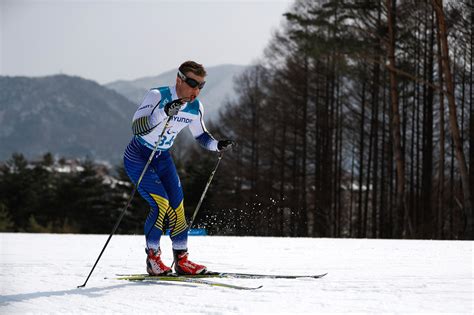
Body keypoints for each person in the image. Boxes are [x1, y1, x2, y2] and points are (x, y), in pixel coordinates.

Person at [123, 61, 235, 275]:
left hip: (162, 157)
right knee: (161, 203)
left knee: (177, 204)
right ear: (179, 79)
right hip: (138, 155)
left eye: (201, 86)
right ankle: (153, 259)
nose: (196, 90)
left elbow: (201, 136)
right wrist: (164, 112)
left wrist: (217, 145)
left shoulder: (195, 107)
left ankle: (181, 259)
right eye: (192, 83)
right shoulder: (157, 95)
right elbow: (136, 127)